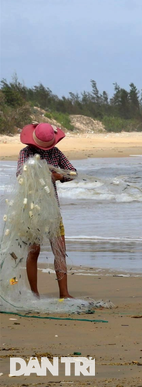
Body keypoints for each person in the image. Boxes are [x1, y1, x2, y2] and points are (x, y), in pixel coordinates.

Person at [17, 123, 77, 299]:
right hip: (32, 210)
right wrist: (40, 175)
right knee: (34, 250)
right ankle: (35, 294)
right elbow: (20, 175)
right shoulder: (25, 153)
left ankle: (64, 293)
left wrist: (61, 176)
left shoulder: (56, 153)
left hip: (53, 210)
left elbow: (73, 173)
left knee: (59, 250)